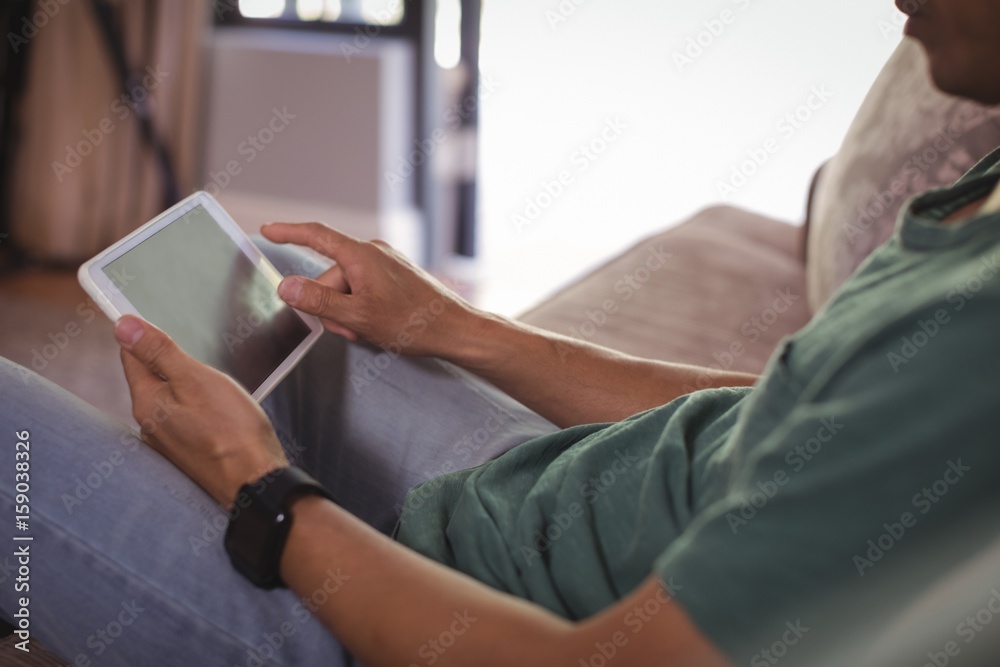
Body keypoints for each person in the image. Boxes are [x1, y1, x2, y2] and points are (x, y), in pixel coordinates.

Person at [4, 0, 1000, 664]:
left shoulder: (972, 337)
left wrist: (265, 495)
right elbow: (800, 409)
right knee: (303, 291)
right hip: (561, 506)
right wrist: (453, 326)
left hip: (469, 626)